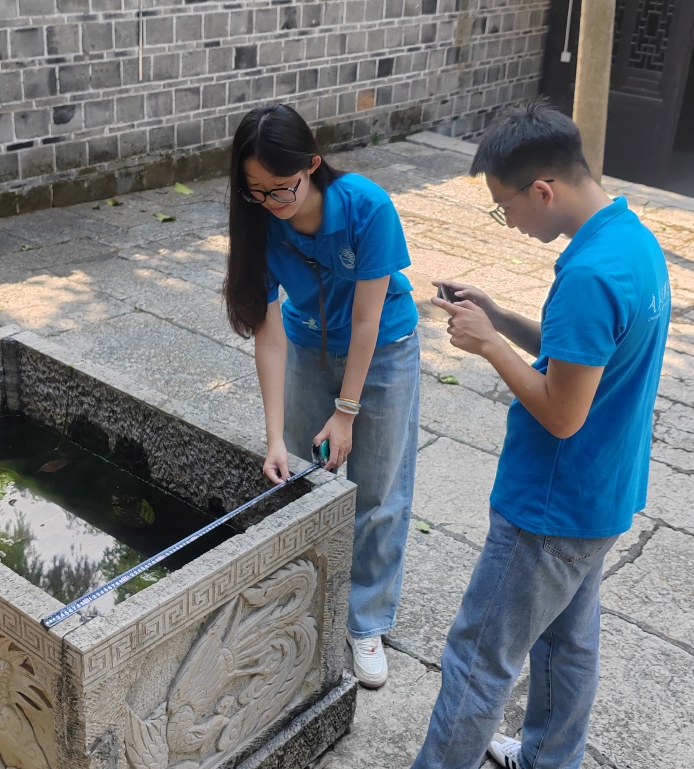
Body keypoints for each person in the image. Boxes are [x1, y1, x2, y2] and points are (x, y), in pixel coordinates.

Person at [412, 101, 670, 769]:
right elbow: (580, 357)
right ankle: (549, 758)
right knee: (566, 642)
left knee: (478, 658)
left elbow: (562, 413)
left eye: (506, 207)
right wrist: (500, 316)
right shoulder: (631, 240)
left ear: (543, 190)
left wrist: (489, 343)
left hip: (550, 507)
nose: (512, 222)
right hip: (601, 494)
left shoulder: (587, 275)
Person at [223, 103, 421, 689]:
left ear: (311, 165)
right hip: (308, 346)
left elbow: (365, 321)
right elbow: (268, 336)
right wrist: (274, 438)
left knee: (379, 491)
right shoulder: (260, 221)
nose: (271, 202)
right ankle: (310, 594)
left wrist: (346, 411)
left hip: (383, 348)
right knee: (306, 478)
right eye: (256, 190)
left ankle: (366, 620)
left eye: (281, 187)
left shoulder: (366, 207)